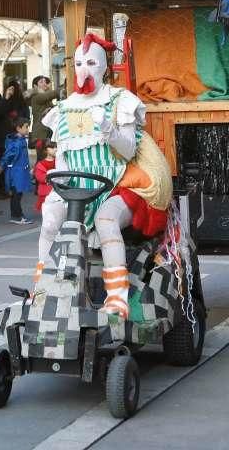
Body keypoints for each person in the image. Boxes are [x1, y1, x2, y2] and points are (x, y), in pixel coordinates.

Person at [39, 34, 172, 318]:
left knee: (105, 220)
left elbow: (126, 152)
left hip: (117, 183)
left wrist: (108, 131)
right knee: (50, 220)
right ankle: (43, 289)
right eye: (78, 63)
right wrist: (55, 189)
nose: (84, 68)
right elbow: (62, 157)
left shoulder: (120, 100)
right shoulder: (63, 109)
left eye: (90, 62)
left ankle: (117, 298)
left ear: (103, 67)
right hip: (75, 187)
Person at [0, 117, 33, 225]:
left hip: (19, 171)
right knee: (17, 194)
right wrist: (2, 165)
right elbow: (9, 155)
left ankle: (16, 214)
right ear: (18, 128)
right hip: (16, 172)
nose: (28, 129)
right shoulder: (17, 142)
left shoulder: (18, 140)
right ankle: (17, 215)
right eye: (26, 127)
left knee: (17, 194)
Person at [29, 75, 58, 147]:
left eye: (45, 82)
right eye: (41, 82)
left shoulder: (46, 98)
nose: (45, 84)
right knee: (42, 157)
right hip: (40, 133)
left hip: (47, 131)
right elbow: (52, 94)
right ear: (35, 86)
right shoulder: (36, 96)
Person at [33, 140, 57, 212]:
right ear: (46, 149)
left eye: (56, 147)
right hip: (45, 192)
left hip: (57, 192)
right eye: (52, 147)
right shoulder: (41, 164)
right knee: (46, 212)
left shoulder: (59, 161)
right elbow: (39, 177)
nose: (55, 149)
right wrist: (50, 178)